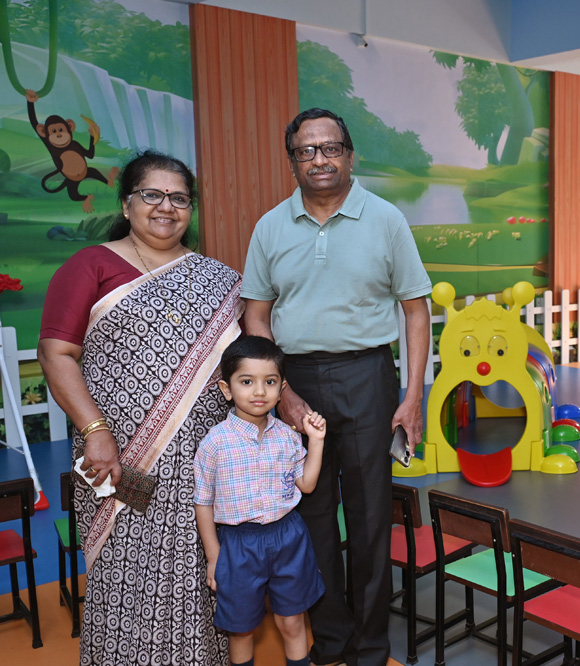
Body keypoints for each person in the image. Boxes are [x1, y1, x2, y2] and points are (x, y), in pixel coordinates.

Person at [37, 150, 243, 666]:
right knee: (122, 571)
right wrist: (95, 431)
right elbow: (56, 353)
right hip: (114, 459)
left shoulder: (218, 278)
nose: (166, 207)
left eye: (180, 198)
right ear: (127, 204)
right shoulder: (90, 265)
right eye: (152, 194)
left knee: (199, 573)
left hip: (203, 464)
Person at [241, 108, 431, 666]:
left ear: (349, 155)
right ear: (292, 161)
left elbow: (415, 310)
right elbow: (256, 316)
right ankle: (330, 639)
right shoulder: (270, 227)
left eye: (330, 148)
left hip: (368, 376)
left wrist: (413, 396)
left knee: (371, 519)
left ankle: (370, 647)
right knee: (310, 516)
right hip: (296, 379)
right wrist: (282, 392)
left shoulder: (386, 219)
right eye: (306, 151)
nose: (319, 159)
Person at [194, 336, 327, 666]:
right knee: (241, 631)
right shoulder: (214, 444)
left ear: (281, 389)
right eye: (246, 381)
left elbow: (307, 485)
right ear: (226, 389)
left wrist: (316, 441)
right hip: (239, 545)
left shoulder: (287, 436)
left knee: (292, 622)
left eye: (269, 382)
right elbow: (203, 502)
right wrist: (213, 556)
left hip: (289, 537)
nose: (259, 391)